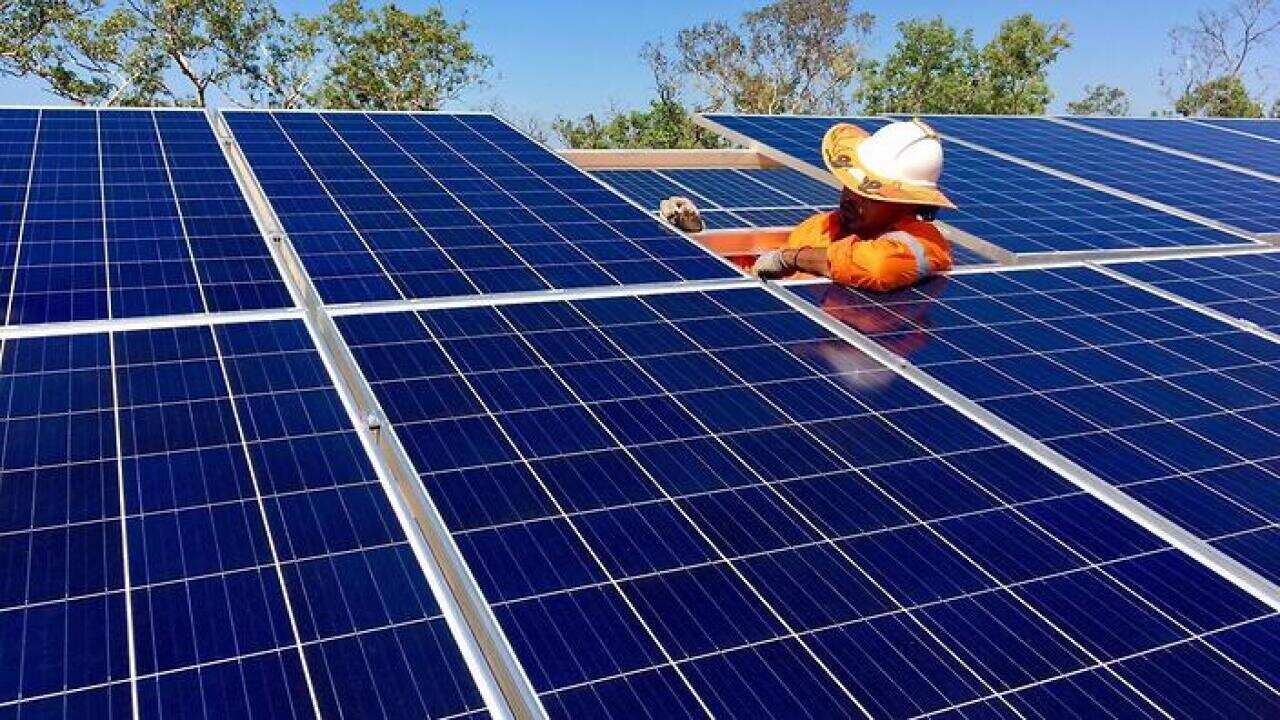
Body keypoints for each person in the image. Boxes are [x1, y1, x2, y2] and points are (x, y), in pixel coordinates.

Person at [753, 119, 956, 292]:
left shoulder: (926, 243)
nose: (851, 199)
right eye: (850, 185)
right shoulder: (819, 227)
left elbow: (879, 266)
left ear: (907, 205)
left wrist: (792, 259)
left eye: (870, 196)